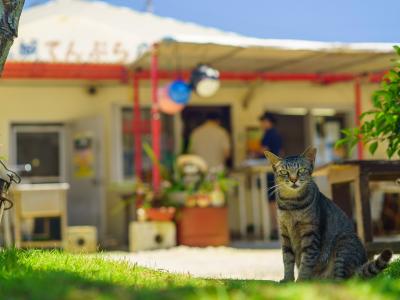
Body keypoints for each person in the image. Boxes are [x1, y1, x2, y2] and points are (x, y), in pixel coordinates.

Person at [259, 112, 283, 240]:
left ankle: (274, 229)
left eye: (263, 122)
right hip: (278, 170)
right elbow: (280, 152)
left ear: (268, 122)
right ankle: (278, 229)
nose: (261, 125)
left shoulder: (269, 134)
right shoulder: (277, 134)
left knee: (272, 201)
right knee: (277, 199)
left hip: (269, 171)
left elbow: (264, 150)